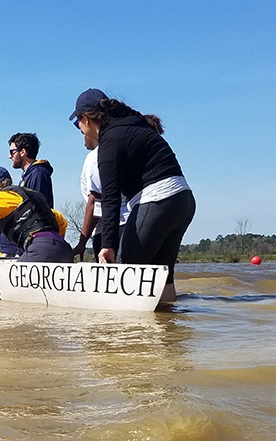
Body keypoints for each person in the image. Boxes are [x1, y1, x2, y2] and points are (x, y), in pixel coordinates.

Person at [70, 88, 196, 301]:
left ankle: (123, 334)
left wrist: (108, 244)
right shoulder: (132, 126)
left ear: (86, 119)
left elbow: (109, 196)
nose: (80, 130)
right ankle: (171, 331)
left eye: (78, 124)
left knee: (124, 272)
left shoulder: (110, 140)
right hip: (183, 200)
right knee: (162, 278)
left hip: (158, 200)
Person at [0, 166, 72, 263]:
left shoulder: (0, 197)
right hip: (65, 250)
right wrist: (54, 246)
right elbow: (62, 222)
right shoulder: (25, 196)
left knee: (11, 291)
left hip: (41, 249)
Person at [0, 132, 55, 257]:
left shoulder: (38, 174)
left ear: (22, 152)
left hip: (33, 245)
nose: (9, 156)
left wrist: (22, 250)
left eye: (12, 152)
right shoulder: (29, 175)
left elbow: (36, 212)